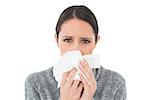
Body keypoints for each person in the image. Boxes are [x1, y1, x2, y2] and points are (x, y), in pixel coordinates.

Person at [25, 5, 126, 100]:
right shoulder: (36, 83)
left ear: (96, 41)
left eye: (85, 41)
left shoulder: (115, 83)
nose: (76, 49)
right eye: (68, 40)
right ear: (57, 40)